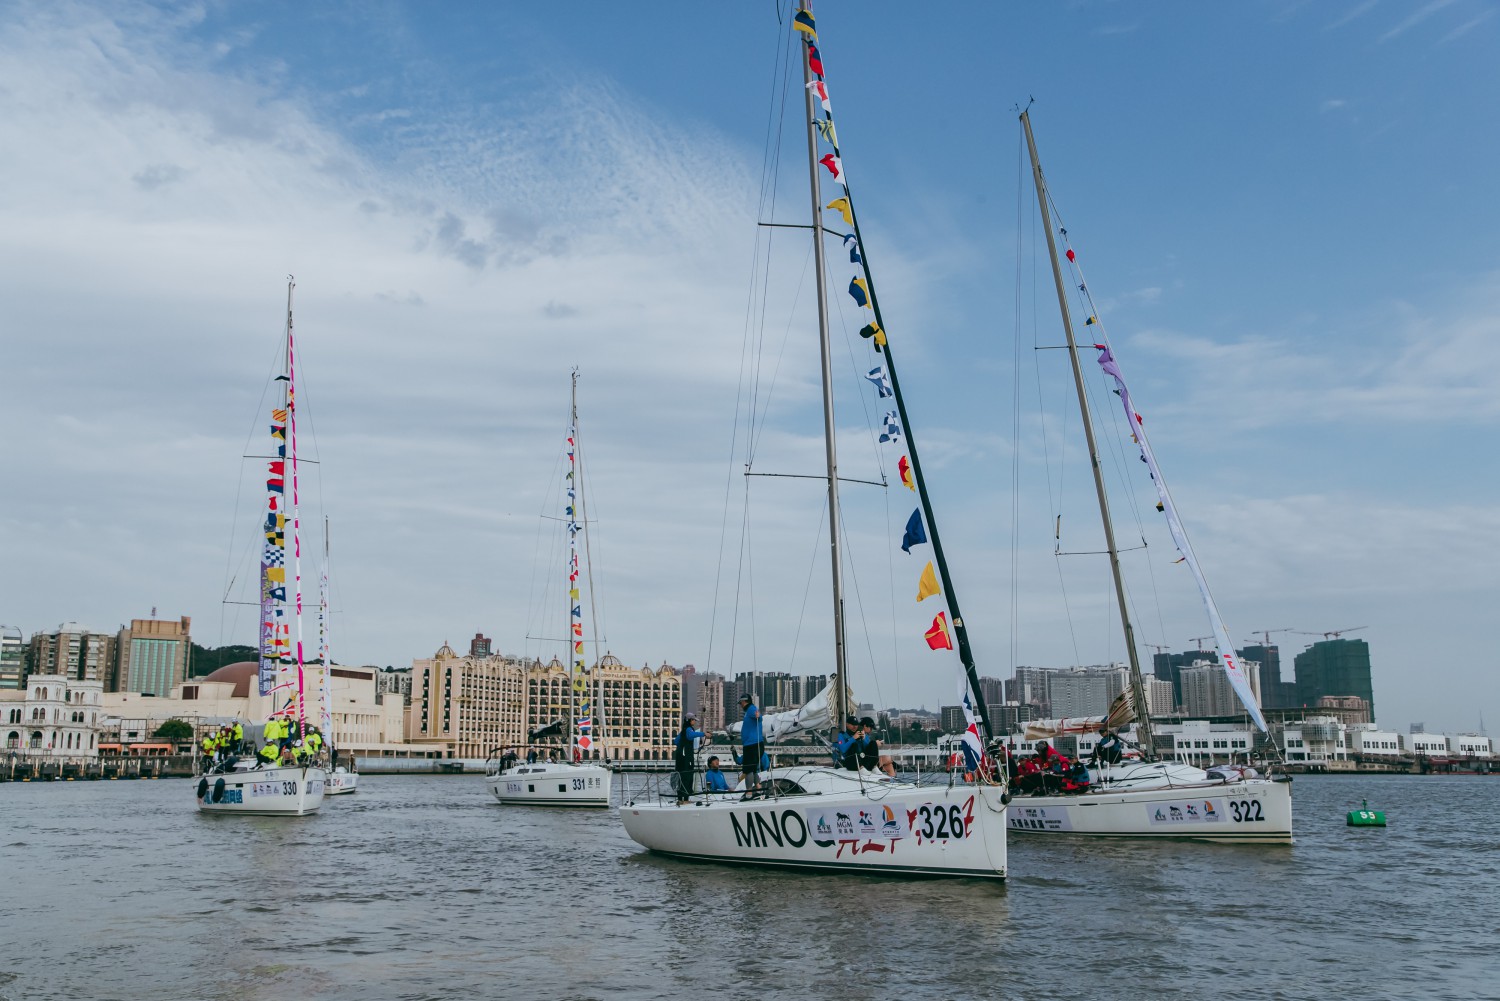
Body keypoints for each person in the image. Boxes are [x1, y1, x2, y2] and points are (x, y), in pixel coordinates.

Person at [672, 714, 706, 805]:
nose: (694, 722)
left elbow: (676, 741)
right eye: (693, 720)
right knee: (688, 777)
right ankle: (686, 800)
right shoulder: (689, 729)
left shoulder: (683, 730)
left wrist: (683, 745)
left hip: (679, 758)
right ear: (689, 720)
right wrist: (704, 734)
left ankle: (680, 799)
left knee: (680, 777)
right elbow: (691, 735)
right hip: (687, 758)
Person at [738, 694, 763, 797]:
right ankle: (758, 789)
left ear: (744, 702)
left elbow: (758, 716)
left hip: (752, 745)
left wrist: (758, 716)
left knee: (748, 769)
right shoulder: (749, 710)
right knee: (753, 769)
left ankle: (748, 792)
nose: (740, 705)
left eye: (740, 703)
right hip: (754, 744)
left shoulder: (751, 709)